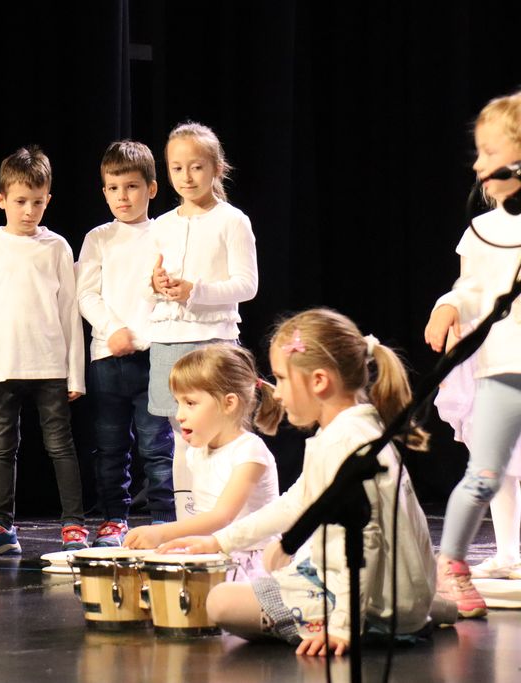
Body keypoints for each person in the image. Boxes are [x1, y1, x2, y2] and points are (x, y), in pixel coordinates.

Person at [171, 309, 436, 656]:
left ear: (319, 381)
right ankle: (421, 611)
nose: (277, 393)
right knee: (271, 569)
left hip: (374, 606)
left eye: (281, 379)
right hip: (389, 593)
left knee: (220, 602)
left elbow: (364, 539)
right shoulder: (347, 431)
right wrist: (219, 541)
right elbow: (298, 502)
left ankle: (396, 621)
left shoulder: (345, 442)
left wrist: (342, 627)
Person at [424, 90, 521, 616]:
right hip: (503, 368)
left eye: (490, 151)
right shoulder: (484, 229)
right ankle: (455, 566)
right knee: (486, 472)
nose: (479, 164)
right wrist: (448, 306)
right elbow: (470, 287)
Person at [0, 145, 88, 554]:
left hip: (50, 366)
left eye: (37, 202)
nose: (29, 210)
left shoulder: (57, 246)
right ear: (2, 200)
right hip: (3, 366)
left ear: (48, 199)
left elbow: (70, 312)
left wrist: (75, 373)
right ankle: (1, 524)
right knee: (1, 448)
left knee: (60, 445)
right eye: (20, 201)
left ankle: (73, 524)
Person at [145, 122, 258, 520]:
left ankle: (231, 517)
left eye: (196, 167)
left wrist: (196, 290)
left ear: (216, 168)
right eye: (177, 168)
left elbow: (247, 285)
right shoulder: (161, 225)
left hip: (213, 340)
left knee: (223, 434)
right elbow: (149, 284)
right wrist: (156, 284)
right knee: (182, 436)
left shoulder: (232, 220)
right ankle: (189, 519)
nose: (187, 177)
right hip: (168, 340)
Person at [76, 140, 175, 546]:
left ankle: (164, 520)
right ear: (104, 192)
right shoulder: (98, 238)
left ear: (151, 188)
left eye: (132, 187)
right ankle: (114, 518)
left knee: (157, 444)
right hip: (107, 358)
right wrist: (114, 328)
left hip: (155, 355)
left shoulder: (166, 233)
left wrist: (143, 335)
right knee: (110, 446)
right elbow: (86, 295)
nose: (123, 196)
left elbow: (169, 293)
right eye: (114, 188)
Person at [122, 344, 280, 579]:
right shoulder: (196, 452)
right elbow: (200, 518)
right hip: (215, 553)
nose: (179, 415)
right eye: (178, 403)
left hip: (250, 560)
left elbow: (222, 517)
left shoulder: (249, 451)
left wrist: (162, 533)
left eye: (190, 403)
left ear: (229, 403)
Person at [434, 339, 521, 581]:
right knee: (500, 466)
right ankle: (507, 556)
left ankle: (504, 557)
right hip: (490, 356)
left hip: (506, 356)